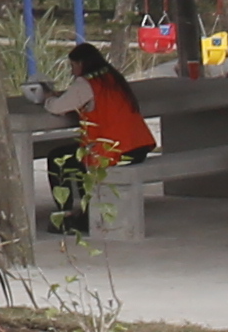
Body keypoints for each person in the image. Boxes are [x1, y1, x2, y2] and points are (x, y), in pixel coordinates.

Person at [45, 43, 154, 235]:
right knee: (79, 156)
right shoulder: (112, 78)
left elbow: (57, 107)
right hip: (137, 146)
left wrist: (48, 98)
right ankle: (86, 211)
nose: (72, 72)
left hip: (114, 150)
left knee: (58, 158)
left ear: (81, 63)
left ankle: (66, 213)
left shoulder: (86, 84)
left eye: (73, 66)